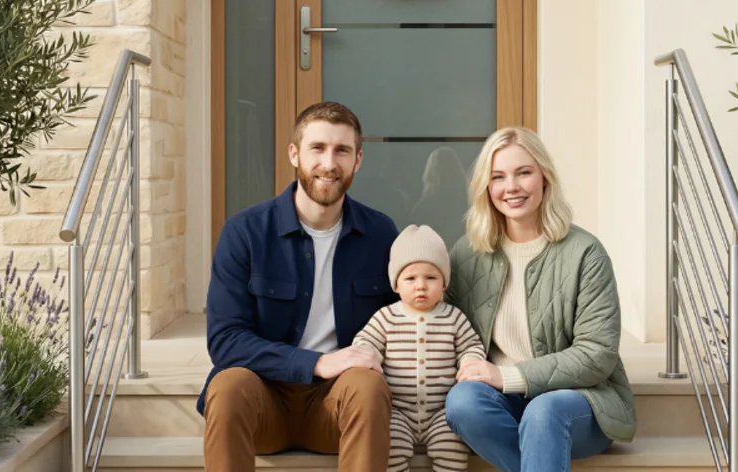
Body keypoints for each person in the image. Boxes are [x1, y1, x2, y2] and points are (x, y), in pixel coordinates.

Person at [197, 102, 400, 472]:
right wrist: (316, 362)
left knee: (368, 387)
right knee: (227, 388)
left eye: (342, 150)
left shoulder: (381, 233)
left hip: (338, 408)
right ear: (295, 154)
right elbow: (225, 340)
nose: (329, 163)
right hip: (264, 402)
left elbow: (403, 319)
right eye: (317, 148)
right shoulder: (245, 231)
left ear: (358, 160)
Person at [444, 127, 636, 472]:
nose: (511, 187)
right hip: (502, 405)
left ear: (544, 178)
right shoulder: (466, 254)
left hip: (579, 403)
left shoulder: (585, 253)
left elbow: (597, 355)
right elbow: (450, 331)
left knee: (544, 412)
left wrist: (507, 376)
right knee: (462, 403)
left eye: (524, 173)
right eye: (498, 177)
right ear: (486, 187)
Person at [353, 224, 486, 472]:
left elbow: (472, 346)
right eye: (410, 278)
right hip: (398, 411)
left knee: (453, 449)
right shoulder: (386, 317)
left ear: (444, 283)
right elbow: (365, 342)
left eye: (431, 277)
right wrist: (368, 355)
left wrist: (470, 362)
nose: (421, 286)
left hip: (441, 411)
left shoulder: (453, 317)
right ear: (396, 284)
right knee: (388, 445)